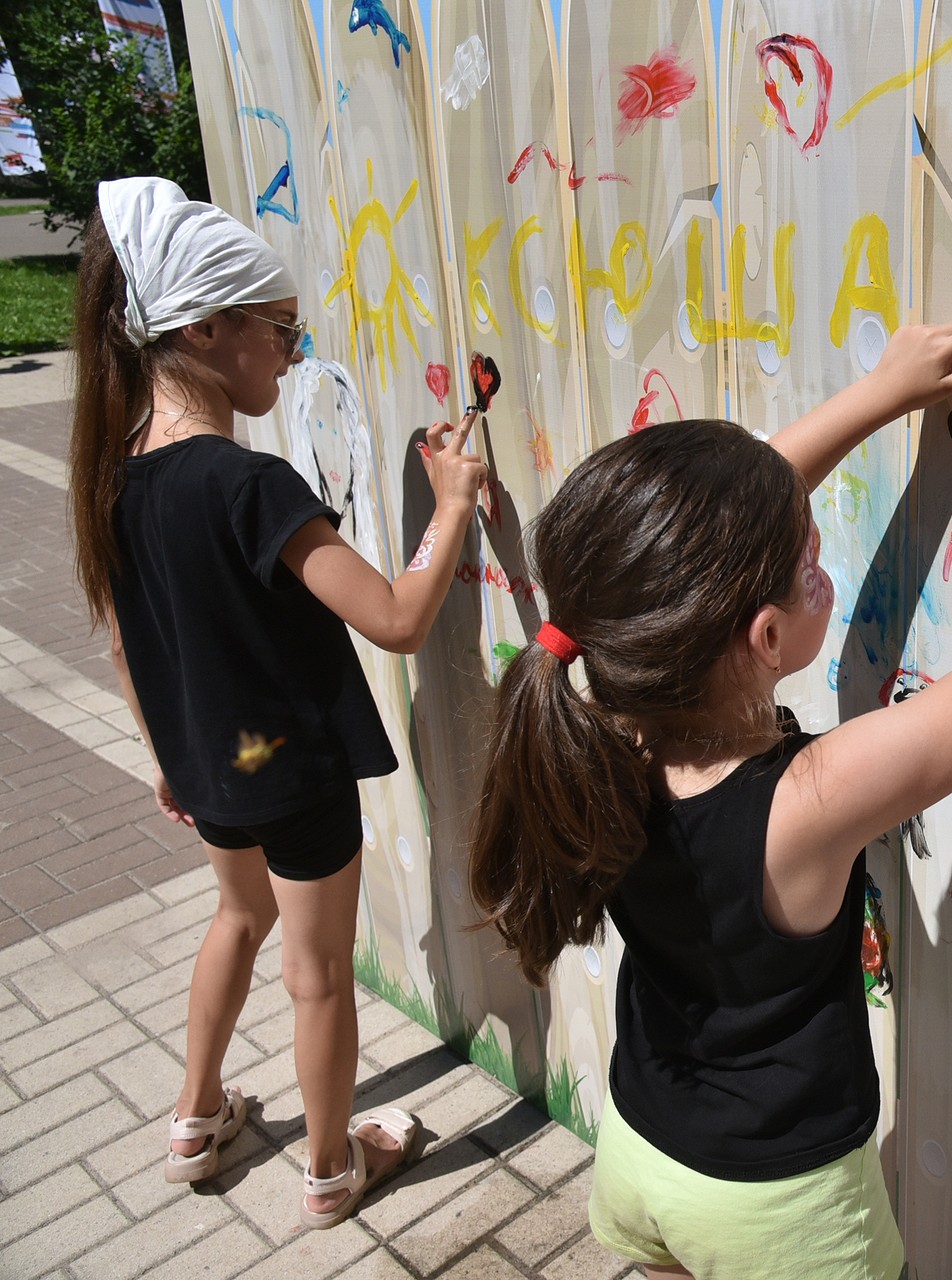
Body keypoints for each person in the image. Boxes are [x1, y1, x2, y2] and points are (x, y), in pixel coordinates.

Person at [467, 291, 952, 1279]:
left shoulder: (610, 720)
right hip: (778, 1214)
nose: (817, 550)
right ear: (761, 636)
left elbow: (690, 557)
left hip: (642, 1151)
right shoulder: (808, 799)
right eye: (807, 559)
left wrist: (882, 394)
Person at [68, 177, 487, 1228]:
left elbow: (127, 639)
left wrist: (165, 754)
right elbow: (393, 615)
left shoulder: (115, 478)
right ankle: (334, 1167)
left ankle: (194, 1118)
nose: (292, 356)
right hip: (289, 772)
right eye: (283, 333)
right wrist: (449, 507)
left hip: (211, 764)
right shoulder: (251, 488)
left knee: (238, 914)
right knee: (317, 975)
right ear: (209, 328)